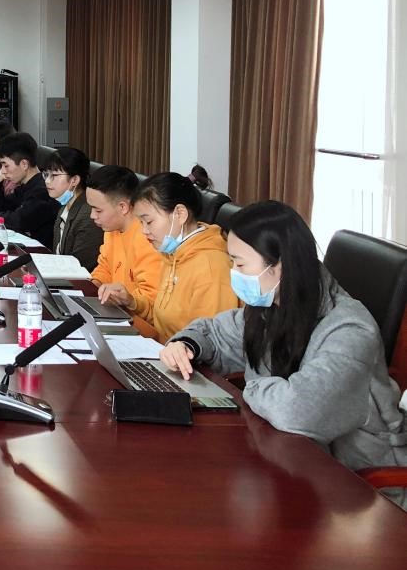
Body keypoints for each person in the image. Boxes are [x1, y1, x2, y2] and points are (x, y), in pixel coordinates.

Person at [161, 201, 407, 500]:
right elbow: (215, 333)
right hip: (289, 463)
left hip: (360, 491)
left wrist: (251, 387)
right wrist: (186, 344)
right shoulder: (272, 306)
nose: (233, 273)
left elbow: (296, 412)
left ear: (280, 267)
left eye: (240, 264)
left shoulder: (350, 330)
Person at [98, 172, 238, 342]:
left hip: (184, 357)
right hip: (161, 348)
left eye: (149, 222)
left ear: (180, 214)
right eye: (141, 223)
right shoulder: (172, 254)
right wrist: (131, 301)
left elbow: (213, 343)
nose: (144, 231)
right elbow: (162, 320)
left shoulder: (211, 268)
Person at [86, 166, 162, 339]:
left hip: (141, 329)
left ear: (122, 207)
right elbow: (104, 268)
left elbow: (152, 304)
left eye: (98, 210)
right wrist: (93, 288)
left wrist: (126, 299)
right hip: (116, 313)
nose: (92, 216)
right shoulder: (112, 228)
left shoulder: (148, 237)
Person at [0, 132, 58, 248]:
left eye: (6, 165)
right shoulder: (24, 187)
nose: (3, 171)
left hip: (40, 253)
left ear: (24, 164)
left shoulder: (42, 190)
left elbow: (18, 221)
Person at [44, 147, 103, 272]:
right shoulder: (64, 206)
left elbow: (80, 264)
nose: (47, 181)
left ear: (74, 180)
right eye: (46, 174)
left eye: (54, 175)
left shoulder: (88, 214)